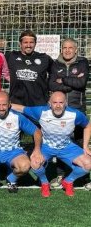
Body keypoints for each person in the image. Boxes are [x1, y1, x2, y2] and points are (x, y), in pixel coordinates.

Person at [12, 91, 91, 197]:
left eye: (61, 102)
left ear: (66, 103)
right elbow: (21, 108)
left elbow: (88, 125)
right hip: (46, 147)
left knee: (88, 163)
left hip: (67, 147)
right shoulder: (41, 112)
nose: (58, 106)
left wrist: (85, 146)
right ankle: (45, 183)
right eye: (55, 102)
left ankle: (68, 181)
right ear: (49, 103)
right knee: (35, 162)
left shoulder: (74, 114)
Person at [48, 38, 90, 189]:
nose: (67, 50)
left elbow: (81, 83)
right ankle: (61, 175)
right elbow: (51, 84)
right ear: (61, 49)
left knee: (80, 142)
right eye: (64, 47)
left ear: (76, 50)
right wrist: (70, 83)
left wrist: (63, 80)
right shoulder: (55, 64)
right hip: (60, 110)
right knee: (61, 142)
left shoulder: (82, 62)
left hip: (77, 108)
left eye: (70, 48)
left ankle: (85, 177)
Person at [6, 30, 53, 106]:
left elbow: (55, 72)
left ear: (35, 44)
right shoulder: (11, 56)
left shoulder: (44, 58)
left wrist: (49, 88)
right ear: (20, 44)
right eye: (25, 42)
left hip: (38, 104)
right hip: (16, 104)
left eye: (31, 42)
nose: (28, 45)